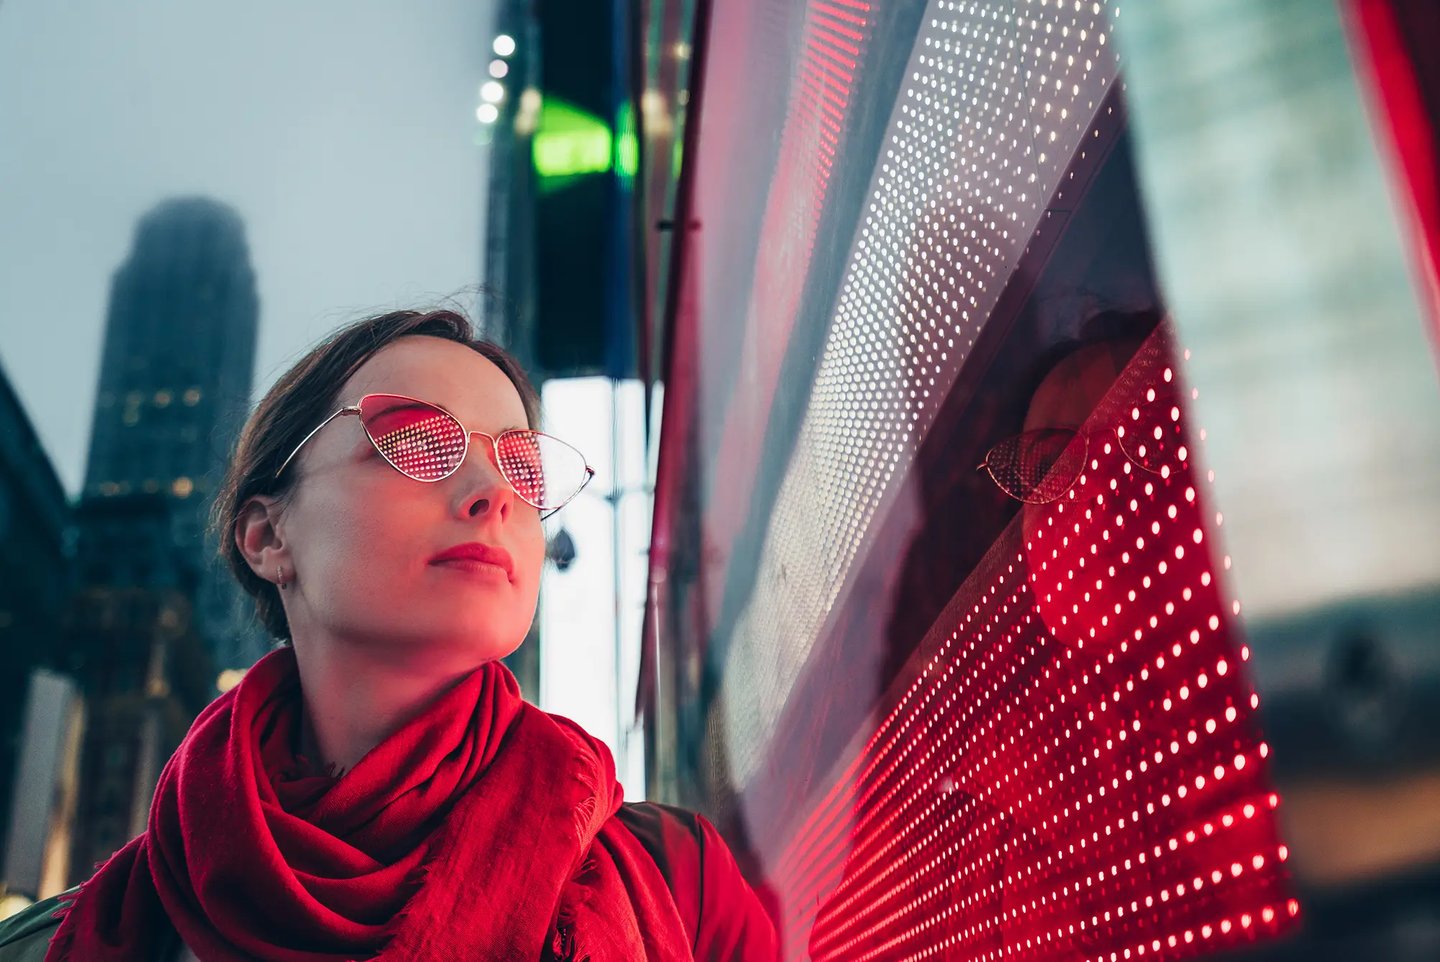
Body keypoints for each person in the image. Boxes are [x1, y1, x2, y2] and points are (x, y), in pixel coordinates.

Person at [0, 309, 779, 961]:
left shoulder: (683, 884)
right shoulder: (75, 940)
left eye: (522, 466)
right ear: (268, 537)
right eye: (416, 442)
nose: (491, 494)